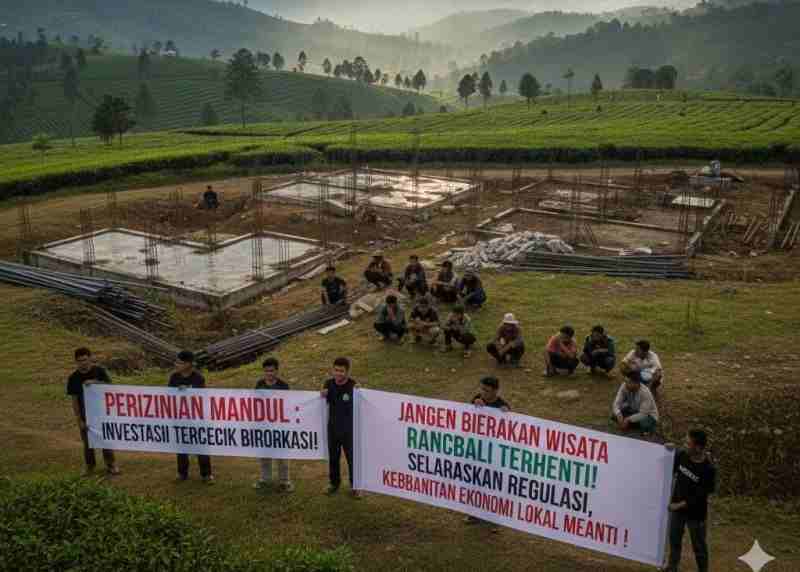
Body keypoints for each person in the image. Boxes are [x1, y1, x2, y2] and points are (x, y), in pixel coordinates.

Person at [664, 430, 716, 572]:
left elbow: (700, 496)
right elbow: (667, 468)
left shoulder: (708, 469)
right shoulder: (681, 456)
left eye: (688, 443)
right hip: (677, 509)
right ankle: (672, 568)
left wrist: (677, 505)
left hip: (695, 513)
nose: (684, 445)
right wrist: (667, 451)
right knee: (674, 540)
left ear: (698, 448)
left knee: (699, 546)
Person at [66, 347, 119, 477]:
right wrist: (79, 419)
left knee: (105, 439)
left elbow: (110, 387)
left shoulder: (99, 371)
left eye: (85, 360)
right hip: (85, 415)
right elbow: (74, 400)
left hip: (102, 413)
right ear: (76, 362)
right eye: (79, 361)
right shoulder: (73, 378)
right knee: (87, 443)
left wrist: (95, 382)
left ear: (90, 358)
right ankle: (90, 466)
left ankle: (111, 464)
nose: (83, 363)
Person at [465, 376, 509, 532]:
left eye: (486, 390)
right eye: (481, 389)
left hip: (494, 453)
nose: (482, 393)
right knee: (475, 482)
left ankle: (494, 519)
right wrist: (474, 406)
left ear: (495, 391)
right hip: (477, 450)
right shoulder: (477, 400)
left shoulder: (502, 405)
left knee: (492, 485)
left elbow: (509, 429)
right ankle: (474, 513)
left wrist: (505, 414)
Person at [169, 350, 214, 483]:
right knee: (182, 447)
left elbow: (201, 397)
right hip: (180, 418)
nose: (176, 364)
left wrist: (188, 391)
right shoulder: (174, 377)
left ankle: (206, 474)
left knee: (201, 447)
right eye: (176, 361)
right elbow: (168, 395)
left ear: (188, 364)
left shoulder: (198, 378)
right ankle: (182, 473)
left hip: (197, 419)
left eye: (179, 362)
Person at [321, 357, 360, 498]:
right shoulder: (328, 384)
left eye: (342, 371)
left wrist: (359, 393)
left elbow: (361, 405)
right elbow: (321, 403)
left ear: (348, 372)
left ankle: (355, 486)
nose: (338, 374)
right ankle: (334, 483)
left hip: (349, 431)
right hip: (332, 429)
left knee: (352, 459)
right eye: (336, 370)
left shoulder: (353, 386)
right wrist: (322, 395)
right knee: (333, 458)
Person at [253, 358, 293, 493]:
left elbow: (288, 406)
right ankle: (265, 479)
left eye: (272, 371)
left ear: (277, 371)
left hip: (280, 427)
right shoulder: (259, 385)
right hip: (264, 426)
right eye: (266, 371)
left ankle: (285, 481)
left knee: (282, 456)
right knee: (264, 455)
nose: (269, 374)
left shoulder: (284, 386)